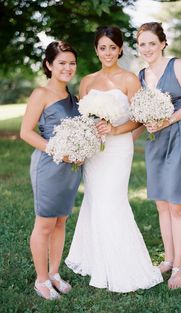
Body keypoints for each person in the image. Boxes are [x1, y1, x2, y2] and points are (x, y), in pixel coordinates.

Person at [65, 26, 163, 293]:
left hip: (118, 149)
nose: (107, 52)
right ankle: (99, 262)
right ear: (96, 50)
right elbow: (83, 118)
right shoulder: (87, 81)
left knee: (112, 202)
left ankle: (124, 267)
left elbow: (139, 117)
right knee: (95, 201)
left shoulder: (130, 79)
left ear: (120, 49)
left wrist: (116, 129)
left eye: (112, 47)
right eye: (102, 47)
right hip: (94, 151)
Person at [135, 22, 181, 289]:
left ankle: (179, 266)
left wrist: (168, 120)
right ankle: (168, 258)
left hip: (179, 137)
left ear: (163, 43)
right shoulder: (141, 75)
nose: (148, 48)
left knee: (176, 204)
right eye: (142, 44)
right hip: (155, 141)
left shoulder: (178, 66)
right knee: (162, 203)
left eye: (152, 42)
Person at [20, 41, 82, 300]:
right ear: (49, 65)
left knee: (61, 221)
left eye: (71, 63)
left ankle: (55, 273)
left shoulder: (74, 98)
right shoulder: (40, 94)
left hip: (71, 169)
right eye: (62, 63)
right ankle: (41, 280)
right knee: (45, 223)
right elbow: (25, 132)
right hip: (49, 165)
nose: (68, 68)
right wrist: (58, 151)